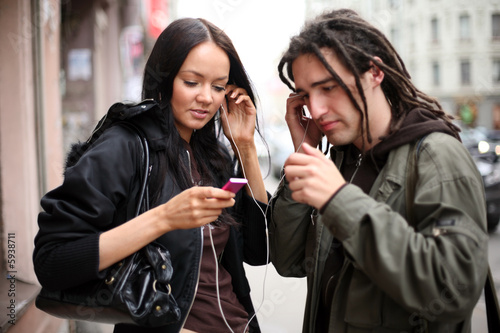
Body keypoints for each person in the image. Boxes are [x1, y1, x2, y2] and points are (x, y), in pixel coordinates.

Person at [33, 17, 269, 333]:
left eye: (218, 86)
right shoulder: (125, 147)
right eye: (191, 82)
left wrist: (246, 146)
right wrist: (165, 218)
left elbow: (259, 252)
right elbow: (54, 262)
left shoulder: (215, 157)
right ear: (165, 79)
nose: (206, 98)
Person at [269, 9, 489, 333]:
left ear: (374, 72)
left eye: (328, 87)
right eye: (305, 95)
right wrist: (306, 151)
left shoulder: (436, 156)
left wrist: (339, 200)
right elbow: (288, 262)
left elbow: (453, 291)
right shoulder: (340, 158)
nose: (315, 110)